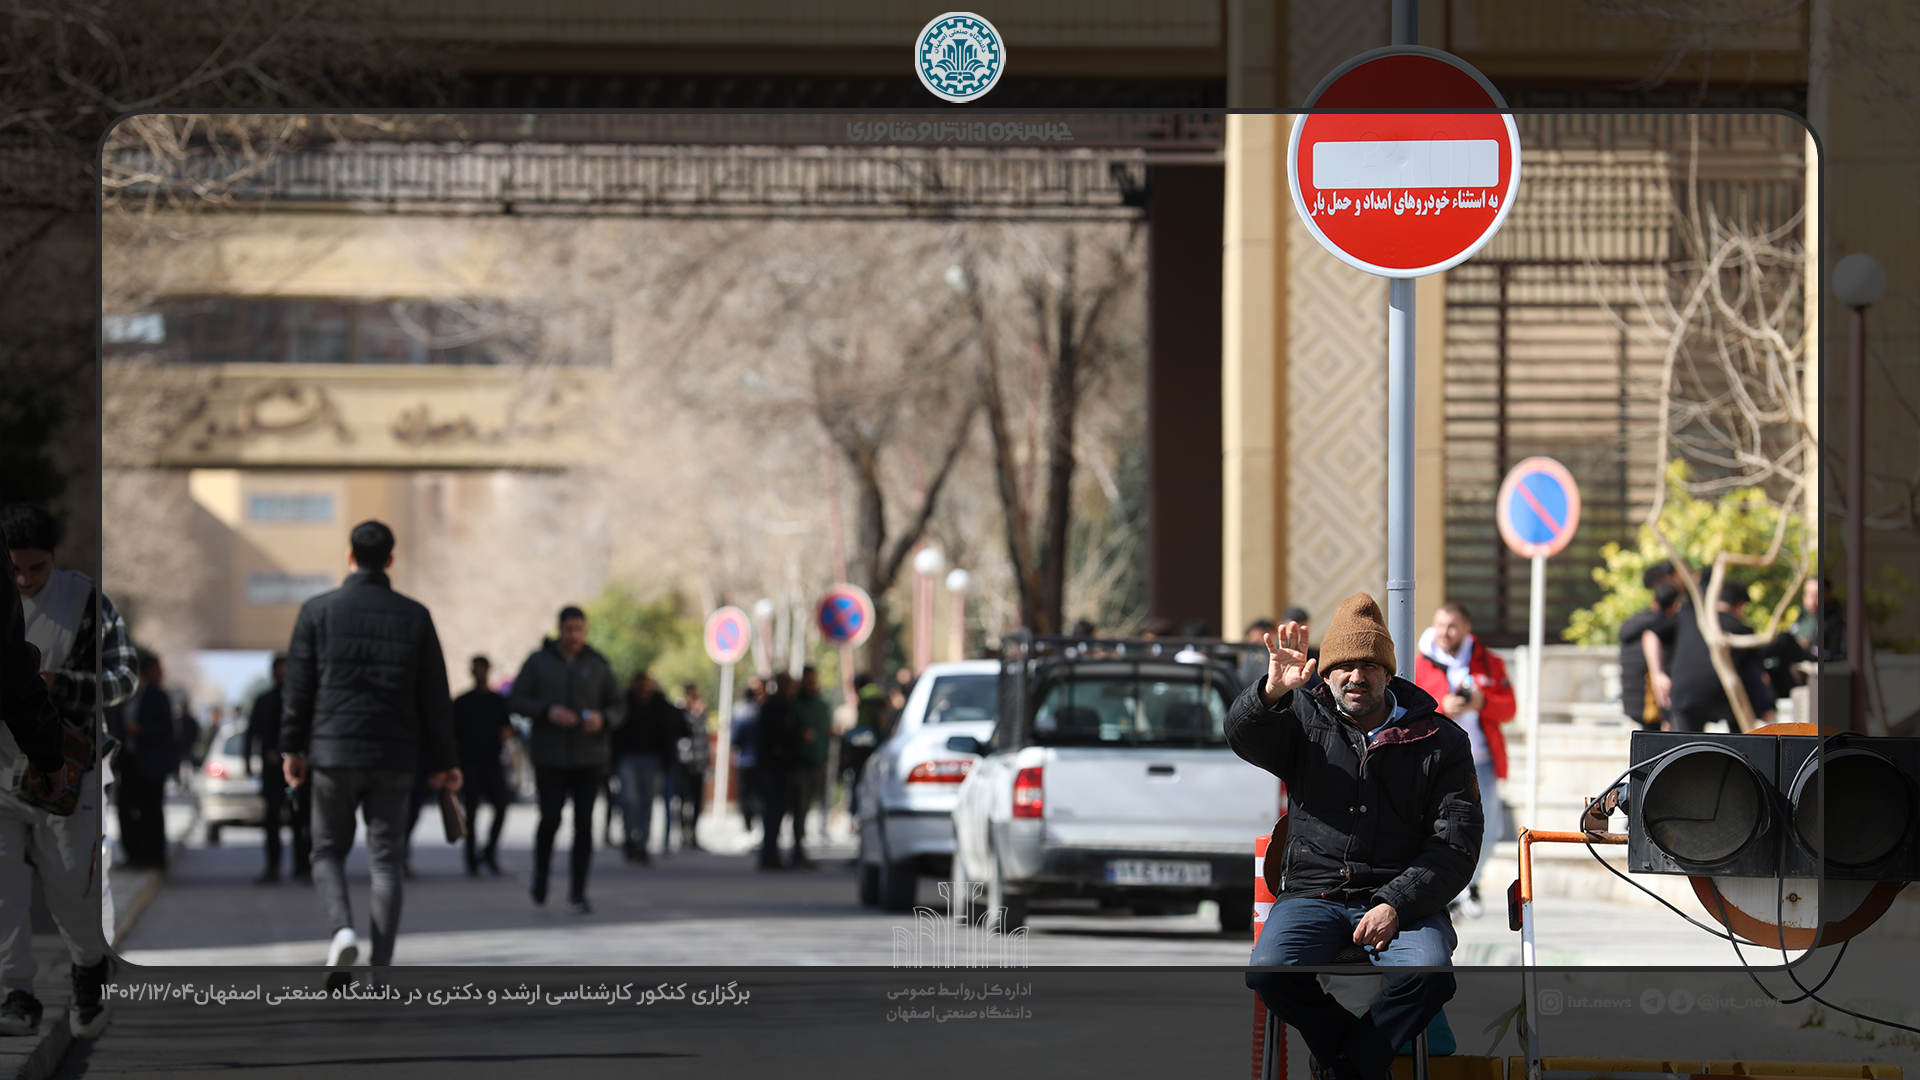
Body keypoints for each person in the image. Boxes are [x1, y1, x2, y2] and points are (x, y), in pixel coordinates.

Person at [1229, 594, 1481, 1080]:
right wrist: (1270, 693)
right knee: (1269, 974)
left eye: (1369, 665)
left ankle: (1344, 1067)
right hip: (1313, 895)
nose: (1356, 676)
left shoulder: (1442, 740)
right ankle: (1355, 1062)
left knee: (1430, 978)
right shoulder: (1301, 718)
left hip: (1404, 900)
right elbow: (1243, 735)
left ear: (1388, 673)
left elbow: (1456, 844)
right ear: (1325, 674)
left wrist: (1395, 904)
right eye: (1344, 666)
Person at [281, 520, 462, 970]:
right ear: (390, 560)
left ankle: (342, 930)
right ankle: (381, 971)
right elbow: (434, 697)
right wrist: (446, 761)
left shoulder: (316, 611)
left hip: (332, 753)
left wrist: (292, 749)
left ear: (349, 557)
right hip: (394, 754)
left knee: (326, 850)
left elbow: (298, 691)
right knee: (386, 863)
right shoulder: (415, 616)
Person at [1, 505, 139, 1038]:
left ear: (54, 557)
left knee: (71, 888)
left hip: (69, 772)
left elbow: (124, 677)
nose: (23, 580)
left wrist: (61, 684)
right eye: (13, 568)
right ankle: (16, 993)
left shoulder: (85, 602)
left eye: (35, 568)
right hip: (1, 773)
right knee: (4, 888)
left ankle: (88, 965)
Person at [508, 606, 621, 915]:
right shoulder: (538, 662)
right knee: (550, 820)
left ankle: (578, 892)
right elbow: (516, 700)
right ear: (560, 629)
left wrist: (603, 718)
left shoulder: (598, 664)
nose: (574, 636)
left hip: (588, 756)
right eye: (569, 629)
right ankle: (541, 875)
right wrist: (547, 711)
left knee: (584, 825)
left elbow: (618, 705)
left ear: (585, 631)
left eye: (579, 630)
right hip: (551, 756)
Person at [1412, 602, 1515, 919]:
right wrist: (1442, 707)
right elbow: (1406, 708)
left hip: (1481, 761)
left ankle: (1470, 884)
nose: (1444, 632)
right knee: (1438, 828)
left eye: (1452, 626)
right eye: (1440, 625)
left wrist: (1483, 702)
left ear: (1467, 629)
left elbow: (1510, 708)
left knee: (1490, 829)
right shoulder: (1419, 664)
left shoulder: (1489, 662)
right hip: (1436, 761)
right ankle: (1448, 889)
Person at [1660, 580, 1775, 732]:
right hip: (1725, 695)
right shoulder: (1741, 628)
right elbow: (1759, 674)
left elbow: (1652, 634)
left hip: (1682, 696)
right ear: (1740, 605)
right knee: (1738, 742)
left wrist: (1658, 674)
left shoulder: (1687, 618)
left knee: (1686, 744)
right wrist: (1765, 704)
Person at [244, 653, 308, 884]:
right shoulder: (264, 700)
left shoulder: (302, 699)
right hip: (272, 771)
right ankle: (273, 866)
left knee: (301, 819)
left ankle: (303, 866)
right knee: (271, 820)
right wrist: (249, 762)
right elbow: (252, 734)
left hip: (298, 770)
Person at [113, 651, 178, 871]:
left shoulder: (158, 696)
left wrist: (141, 730)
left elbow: (167, 729)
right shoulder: (122, 693)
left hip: (151, 763)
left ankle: (155, 856)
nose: (161, 673)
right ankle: (134, 855)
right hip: (127, 762)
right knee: (125, 808)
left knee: (152, 810)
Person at [452, 656, 514, 877]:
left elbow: (507, 729)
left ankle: (489, 852)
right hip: (469, 763)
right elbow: (452, 733)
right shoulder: (462, 702)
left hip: (492, 762)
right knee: (470, 813)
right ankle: (471, 858)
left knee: (501, 806)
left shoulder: (497, 701)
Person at [613, 670, 682, 865]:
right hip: (628, 758)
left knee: (647, 803)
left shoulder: (661, 706)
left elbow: (677, 727)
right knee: (629, 800)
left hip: (653, 760)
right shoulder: (625, 704)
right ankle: (629, 838)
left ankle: (642, 844)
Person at [1619, 581, 1681, 730]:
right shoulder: (1664, 630)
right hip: (1653, 701)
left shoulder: (1632, 625)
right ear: (1675, 605)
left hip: (1633, 699)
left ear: (1653, 601)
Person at [789, 666, 833, 870]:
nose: (810, 684)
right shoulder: (794, 705)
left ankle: (801, 850)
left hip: (817, 764)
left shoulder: (821, 706)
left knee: (807, 807)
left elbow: (825, 732)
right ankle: (797, 850)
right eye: (807, 680)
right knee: (799, 807)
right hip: (799, 764)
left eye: (813, 680)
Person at [755, 672, 799, 870]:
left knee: (776, 810)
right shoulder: (776, 707)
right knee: (774, 810)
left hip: (776, 766)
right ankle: (769, 854)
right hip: (775, 767)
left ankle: (771, 853)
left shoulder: (779, 705)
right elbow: (777, 737)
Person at [674, 683, 709, 852]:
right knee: (682, 800)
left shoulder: (701, 713)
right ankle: (683, 833)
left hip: (699, 763)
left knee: (696, 801)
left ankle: (693, 834)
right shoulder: (680, 711)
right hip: (684, 763)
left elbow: (704, 737)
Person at [730, 676, 763, 833]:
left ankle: (747, 823)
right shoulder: (759, 710)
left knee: (745, 793)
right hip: (758, 759)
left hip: (744, 759)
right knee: (757, 793)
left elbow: (735, 738)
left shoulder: (739, 711)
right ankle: (755, 821)